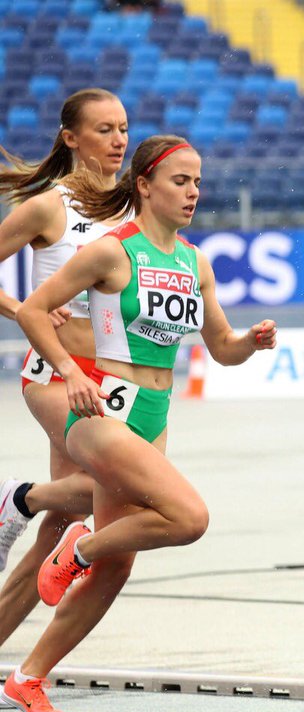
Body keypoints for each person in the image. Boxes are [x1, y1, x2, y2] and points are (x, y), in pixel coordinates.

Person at [4, 136, 277, 712]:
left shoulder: (195, 261)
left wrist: (249, 345)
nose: (193, 193)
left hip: (155, 413)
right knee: (189, 517)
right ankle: (76, 546)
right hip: (105, 413)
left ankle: (28, 677)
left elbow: (221, 349)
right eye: (180, 181)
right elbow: (31, 310)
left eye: (198, 183)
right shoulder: (111, 252)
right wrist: (72, 372)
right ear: (145, 186)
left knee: (120, 564)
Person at [0, 89, 128, 635]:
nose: (119, 140)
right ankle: (18, 498)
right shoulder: (49, 206)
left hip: (111, 379)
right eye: (104, 129)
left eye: (123, 128)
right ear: (71, 139)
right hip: (56, 374)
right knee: (114, 487)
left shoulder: (131, 205)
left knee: (64, 528)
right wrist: (22, 309)